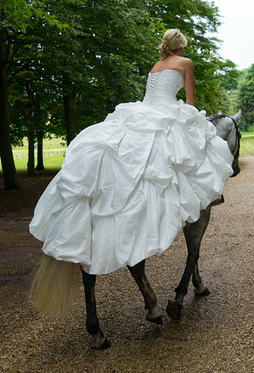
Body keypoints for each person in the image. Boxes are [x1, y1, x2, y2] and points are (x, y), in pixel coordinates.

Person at [29, 29, 234, 276]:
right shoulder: (185, 63)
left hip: (143, 111)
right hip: (165, 111)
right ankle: (204, 196)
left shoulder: (156, 65)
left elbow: (152, 97)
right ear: (181, 46)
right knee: (201, 144)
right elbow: (190, 101)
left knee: (137, 155)